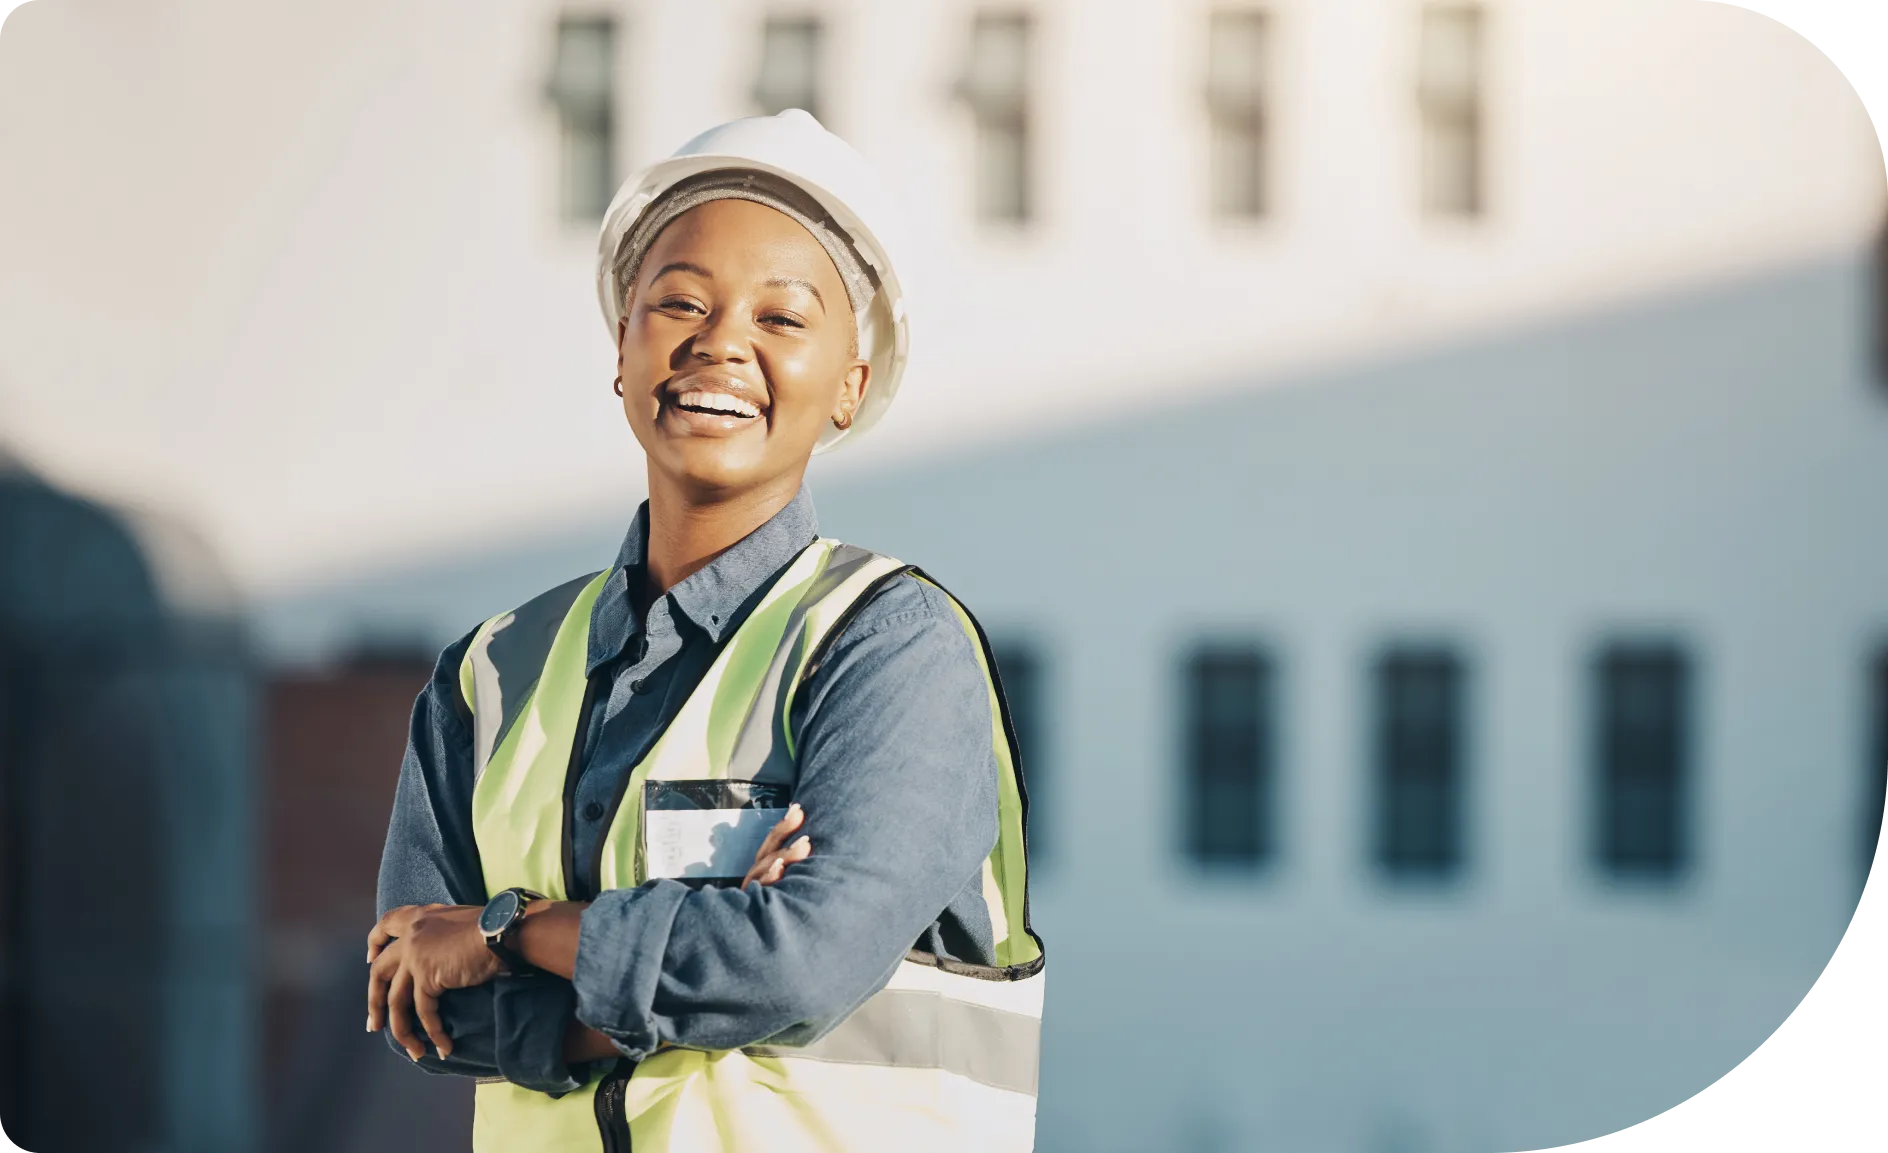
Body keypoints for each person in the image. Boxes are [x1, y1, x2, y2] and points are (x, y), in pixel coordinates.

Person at [366, 110, 1045, 1152]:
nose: (720, 340)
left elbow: (799, 965)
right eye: (678, 301)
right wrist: (706, 949)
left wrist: (511, 931)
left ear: (849, 390)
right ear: (623, 353)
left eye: (782, 319)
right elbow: (419, 998)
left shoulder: (891, 649)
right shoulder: (492, 669)